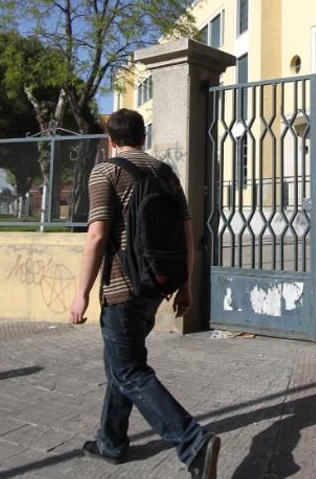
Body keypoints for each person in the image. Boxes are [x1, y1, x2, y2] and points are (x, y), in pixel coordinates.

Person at [70, 108, 221, 478]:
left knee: (130, 370)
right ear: (143, 137)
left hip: (122, 288)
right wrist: (185, 284)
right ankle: (111, 441)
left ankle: (193, 444)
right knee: (121, 366)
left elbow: (97, 235)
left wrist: (81, 293)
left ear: (111, 140)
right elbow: (187, 236)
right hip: (157, 284)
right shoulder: (166, 173)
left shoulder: (106, 170)